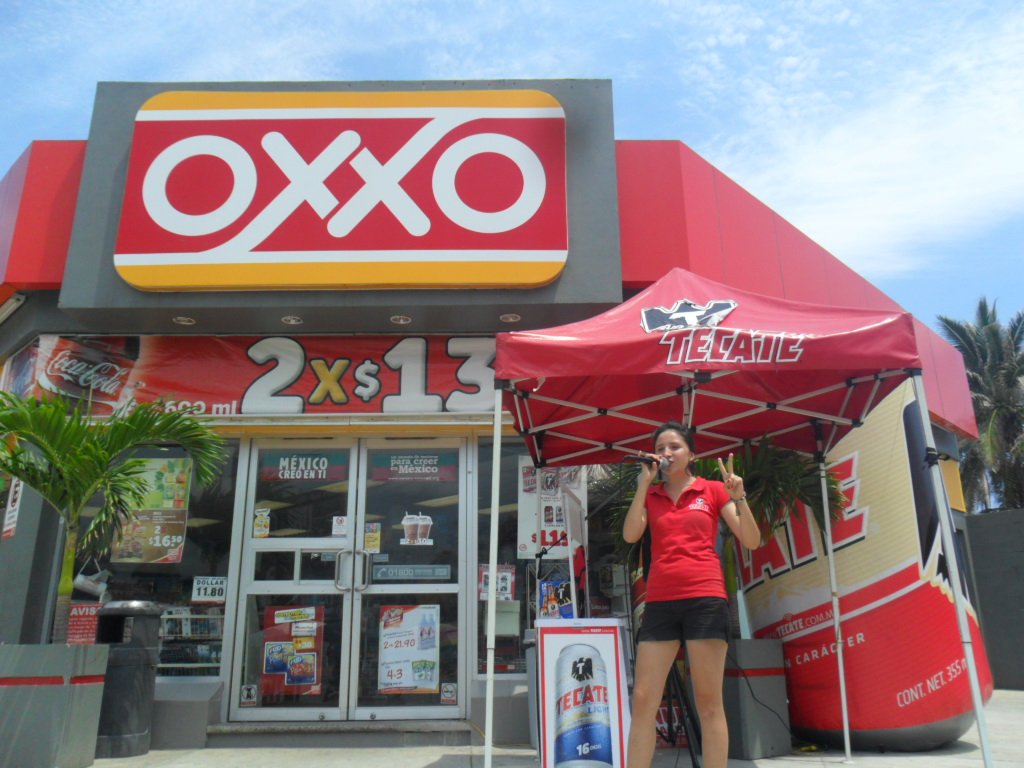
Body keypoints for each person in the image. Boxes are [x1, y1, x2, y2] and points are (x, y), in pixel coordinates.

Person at [623, 421, 763, 768]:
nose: (666, 453)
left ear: (692, 455)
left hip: (705, 599)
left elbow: (751, 540)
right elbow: (630, 535)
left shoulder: (712, 490)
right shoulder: (651, 495)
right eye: (660, 448)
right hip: (660, 602)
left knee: (708, 702)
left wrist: (739, 497)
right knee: (643, 699)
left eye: (674, 447)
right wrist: (643, 485)